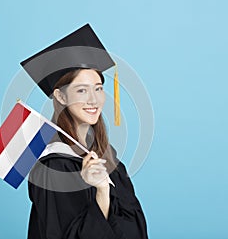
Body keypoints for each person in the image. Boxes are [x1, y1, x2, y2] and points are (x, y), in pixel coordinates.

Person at [21, 24, 148, 239]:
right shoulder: (53, 166)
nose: (94, 99)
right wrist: (102, 193)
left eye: (98, 88)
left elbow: (135, 223)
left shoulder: (106, 153)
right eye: (82, 90)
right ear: (61, 97)